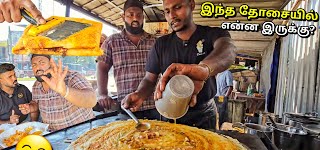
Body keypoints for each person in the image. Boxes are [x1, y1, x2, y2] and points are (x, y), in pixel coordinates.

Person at [122, 0, 236, 129]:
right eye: (167, 11)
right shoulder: (161, 44)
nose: (172, 15)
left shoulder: (212, 34)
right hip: (169, 112)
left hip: (203, 114)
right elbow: (149, 79)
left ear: (191, 5)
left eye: (177, 7)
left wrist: (203, 69)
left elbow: (228, 50)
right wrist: (140, 94)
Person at [96, 0, 159, 119]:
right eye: (130, 15)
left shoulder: (155, 42)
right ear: (123, 16)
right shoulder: (111, 42)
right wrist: (103, 94)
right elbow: (102, 68)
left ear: (143, 17)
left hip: (155, 105)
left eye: (139, 15)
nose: (135, 18)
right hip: (127, 107)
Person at [18, 54, 97, 131]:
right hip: (55, 136)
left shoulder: (71, 77)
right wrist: (32, 107)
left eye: (42, 63)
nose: (38, 68)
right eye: (34, 65)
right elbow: (36, 104)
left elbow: (92, 100)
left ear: (51, 64)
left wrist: (65, 91)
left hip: (83, 132)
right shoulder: (36, 86)